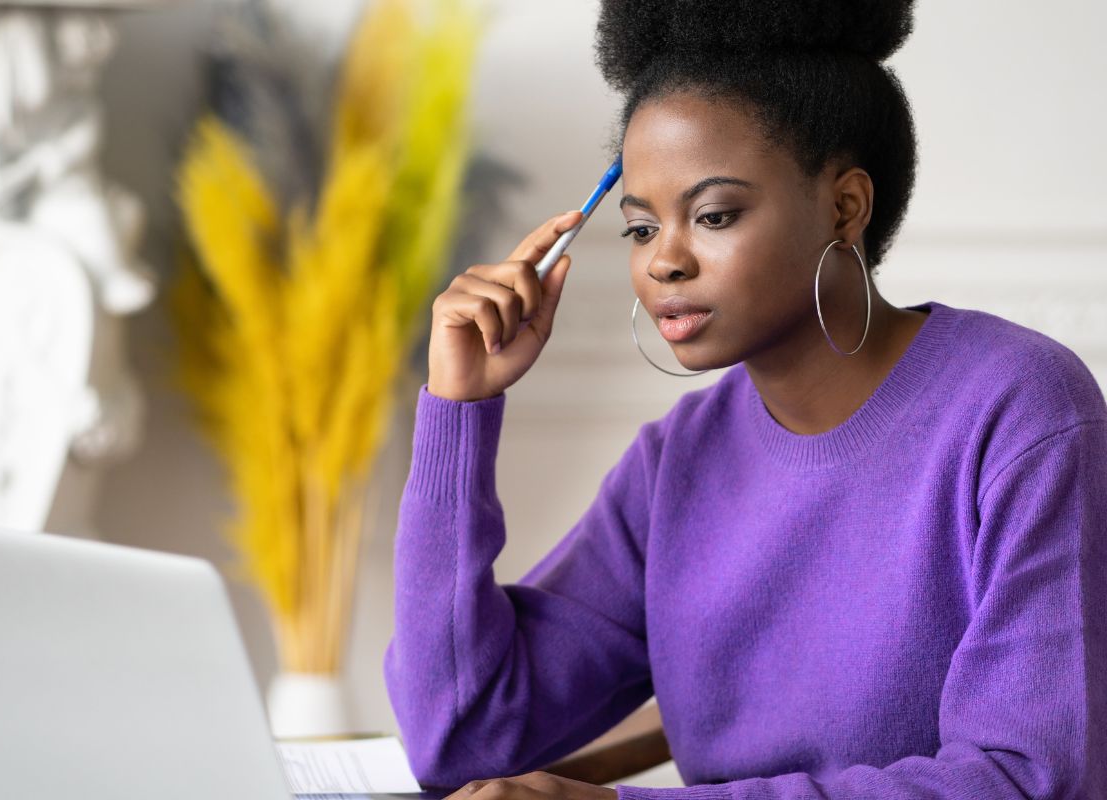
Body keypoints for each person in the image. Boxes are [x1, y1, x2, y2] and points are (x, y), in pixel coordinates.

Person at [382, 1, 1107, 798]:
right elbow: (457, 733)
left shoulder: (1022, 412)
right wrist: (458, 412)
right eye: (640, 229)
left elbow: (1033, 779)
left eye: (714, 215)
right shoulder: (676, 464)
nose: (665, 262)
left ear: (845, 207)